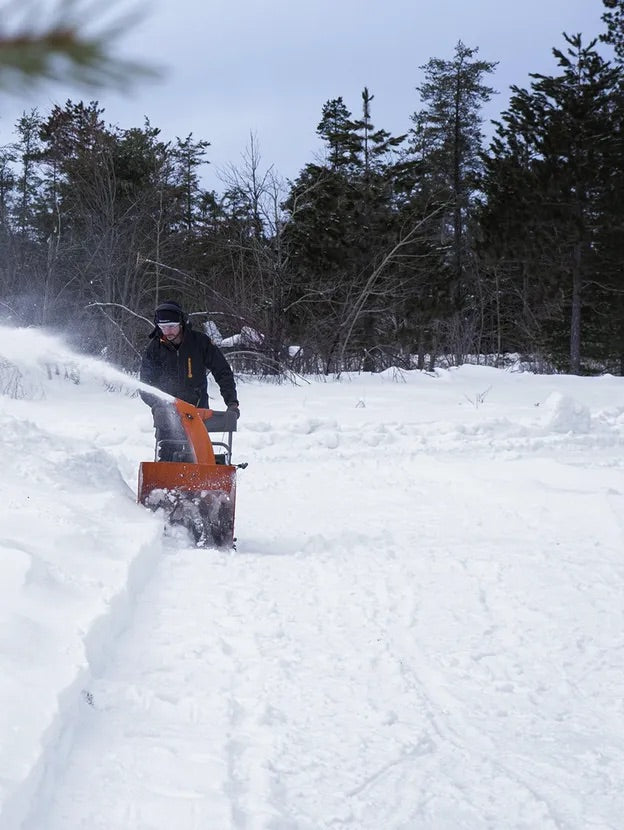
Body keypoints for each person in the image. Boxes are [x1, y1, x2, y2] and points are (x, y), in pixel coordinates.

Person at [140, 300, 239, 459]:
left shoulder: (200, 343)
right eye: (163, 327)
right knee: (168, 457)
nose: (168, 331)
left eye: (171, 326)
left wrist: (232, 402)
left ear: (182, 323)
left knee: (197, 457)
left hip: (198, 411)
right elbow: (145, 384)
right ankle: (165, 483)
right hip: (167, 413)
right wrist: (157, 404)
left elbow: (223, 372)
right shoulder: (154, 349)